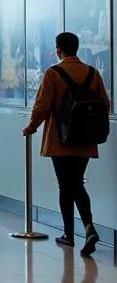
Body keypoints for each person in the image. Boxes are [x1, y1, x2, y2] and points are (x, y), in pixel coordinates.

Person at [23, 32, 111, 257]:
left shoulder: (53, 73)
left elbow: (42, 105)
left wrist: (32, 126)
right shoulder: (93, 73)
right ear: (77, 48)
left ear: (57, 49)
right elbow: (105, 104)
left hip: (61, 141)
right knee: (77, 183)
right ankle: (89, 227)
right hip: (85, 140)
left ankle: (69, 235)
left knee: (65, 185)